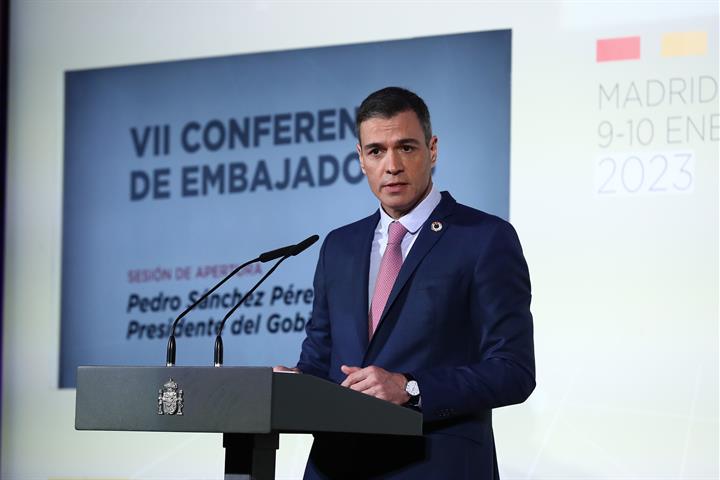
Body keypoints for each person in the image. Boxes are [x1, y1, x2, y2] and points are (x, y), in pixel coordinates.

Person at [275, 86, 535, 479]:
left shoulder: (484, 238)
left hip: (434, 465)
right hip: (337, 466)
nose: (392, 165)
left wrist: (411, 388)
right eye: (376, 151)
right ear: (361, 159)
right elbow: (319, 360)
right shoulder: (339, 247)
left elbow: (514, 370)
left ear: (432, 149)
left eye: (407, 147)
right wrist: (295, 385)